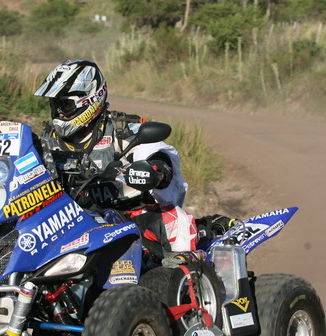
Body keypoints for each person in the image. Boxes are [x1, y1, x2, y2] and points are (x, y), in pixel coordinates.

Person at [33, 59, 236, 258]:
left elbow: (158, 155)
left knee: (176, 224)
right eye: (55, 105)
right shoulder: (46, 138)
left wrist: (155, 169)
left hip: (125, 215)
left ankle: (188, 286)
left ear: (90, 99)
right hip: (65, 219)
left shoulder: (124, 130)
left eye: (65, 105)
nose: (58, 112)